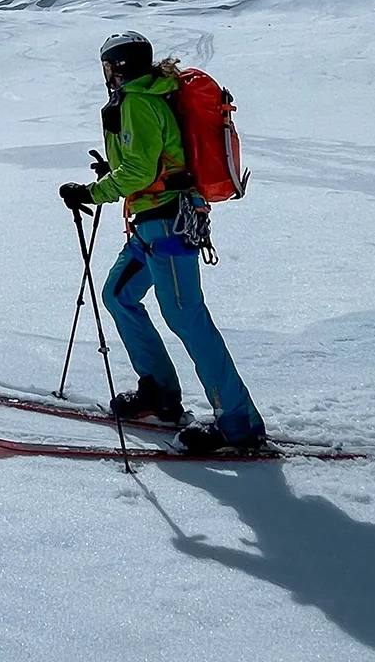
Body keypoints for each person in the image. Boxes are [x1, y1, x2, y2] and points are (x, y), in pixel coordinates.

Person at [58, 32, 267, 453]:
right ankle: (161, 394)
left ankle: (239, 422)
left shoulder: (138, 101)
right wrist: (111, 171)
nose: (106, 75)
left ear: (120, 67)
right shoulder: (145, 96)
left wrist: (92, 192)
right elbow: (145, 161)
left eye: (107, 67)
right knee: (119, 296)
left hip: (168, 223)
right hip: (151, 223)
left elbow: (138, 171)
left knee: (186, 316)